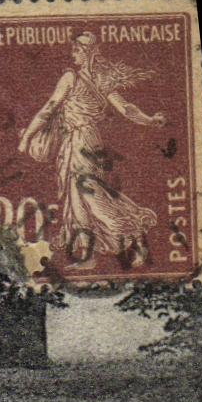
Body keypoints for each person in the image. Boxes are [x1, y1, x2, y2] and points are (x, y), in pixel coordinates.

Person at [16, 31, 166, 269]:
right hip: (86, 140)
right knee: (77, 198)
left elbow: (49, 108)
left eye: (76, 50)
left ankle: (134, 233)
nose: (72, 54)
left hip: (80, 140)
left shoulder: (70, 77)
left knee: (90, 196)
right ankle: (86, 256)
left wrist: (27, 138)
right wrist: (149, 120)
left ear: (87, 54)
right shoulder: (102, 81)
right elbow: (126, 109)